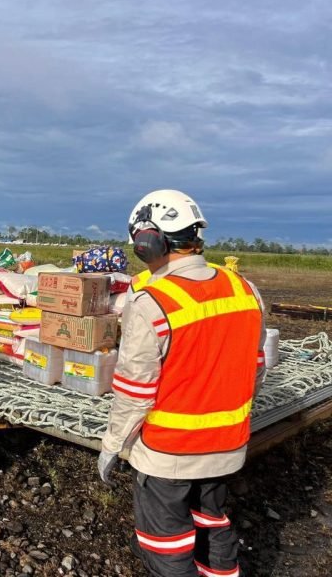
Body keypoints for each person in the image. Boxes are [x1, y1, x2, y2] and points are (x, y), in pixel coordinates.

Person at [98, 189, 266, 577]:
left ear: (148, 242)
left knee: (166, 543)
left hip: (169, 452)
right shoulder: (245, 290)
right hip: (228, 444)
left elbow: (136, 393)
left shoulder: (151, 303)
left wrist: (112, 445)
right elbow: (256, 368)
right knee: (212, 521)